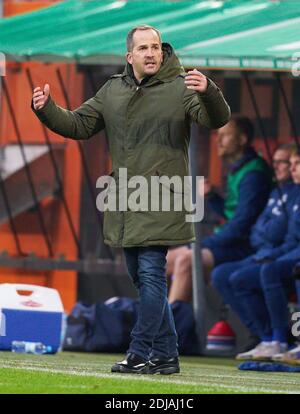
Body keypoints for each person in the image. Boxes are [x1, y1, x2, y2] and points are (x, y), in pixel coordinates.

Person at [31, 25, 231, 375]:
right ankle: (167, 354)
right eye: (143, 49)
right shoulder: (112, 90)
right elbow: (78, 125)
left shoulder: (182, 86)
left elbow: (215, 119)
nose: (151, 53)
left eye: (155, 47)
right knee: (142, 279)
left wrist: (209, 92)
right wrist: (47, 108)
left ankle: (140, 350)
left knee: (152, 276)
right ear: (130, 56)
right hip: (125, 200)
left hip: (163, 199)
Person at [167, 115, 272, 303]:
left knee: (186, 261)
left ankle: (168, 328)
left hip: (245, 246)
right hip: (232, 241)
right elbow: (234, 212)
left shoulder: (253, 174)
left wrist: (204, 244)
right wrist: (212, 196)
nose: (219, 140)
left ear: (242, 140)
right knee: (163, 261)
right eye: (218, 135)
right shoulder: (239, 169)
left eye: (225, 135)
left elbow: (241, 226)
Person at [212, 145, 300, 360]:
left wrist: (270, 248)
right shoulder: (276, 191)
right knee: (222, 274)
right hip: (265, 251)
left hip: (281, 254)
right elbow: (259, 230)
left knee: (268, 271)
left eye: (292, 163)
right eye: (287, 163)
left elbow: (285, 234)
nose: (285, 167)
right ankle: (267, 337)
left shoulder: (295, 193)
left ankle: (279, 339)